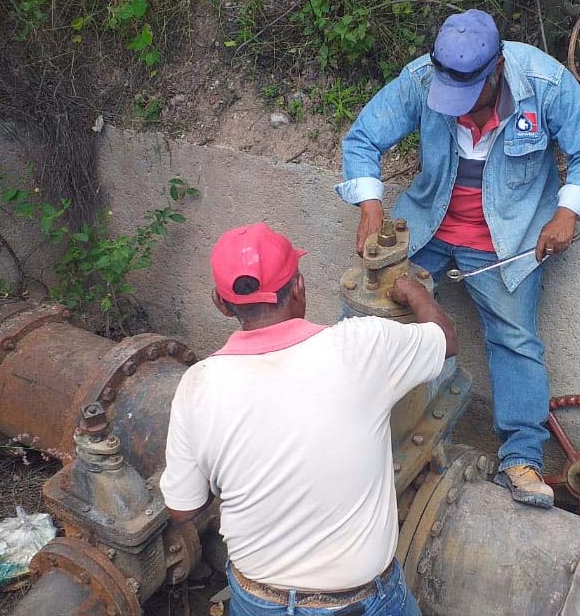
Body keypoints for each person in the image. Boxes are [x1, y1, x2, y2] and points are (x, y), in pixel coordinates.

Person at [337, 9, 580, 508]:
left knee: (515, 338)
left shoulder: (546, 84)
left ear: (498, 69)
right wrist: (371, 208)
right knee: (372, 313)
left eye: (470, 97)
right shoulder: (422, 79)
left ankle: (522, 458)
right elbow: (363, 138)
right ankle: (350, 428)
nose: (459, 109)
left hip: (509, 237)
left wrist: (568, 212)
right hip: (427, 226)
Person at [159, 223, 456, 616]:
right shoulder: (361, 346)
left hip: (255, 599)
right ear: (299, 287)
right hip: (360, 602)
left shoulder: (195, 387)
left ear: (221, 303)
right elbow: (445, 340)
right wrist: (413, 290)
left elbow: (182, 509)